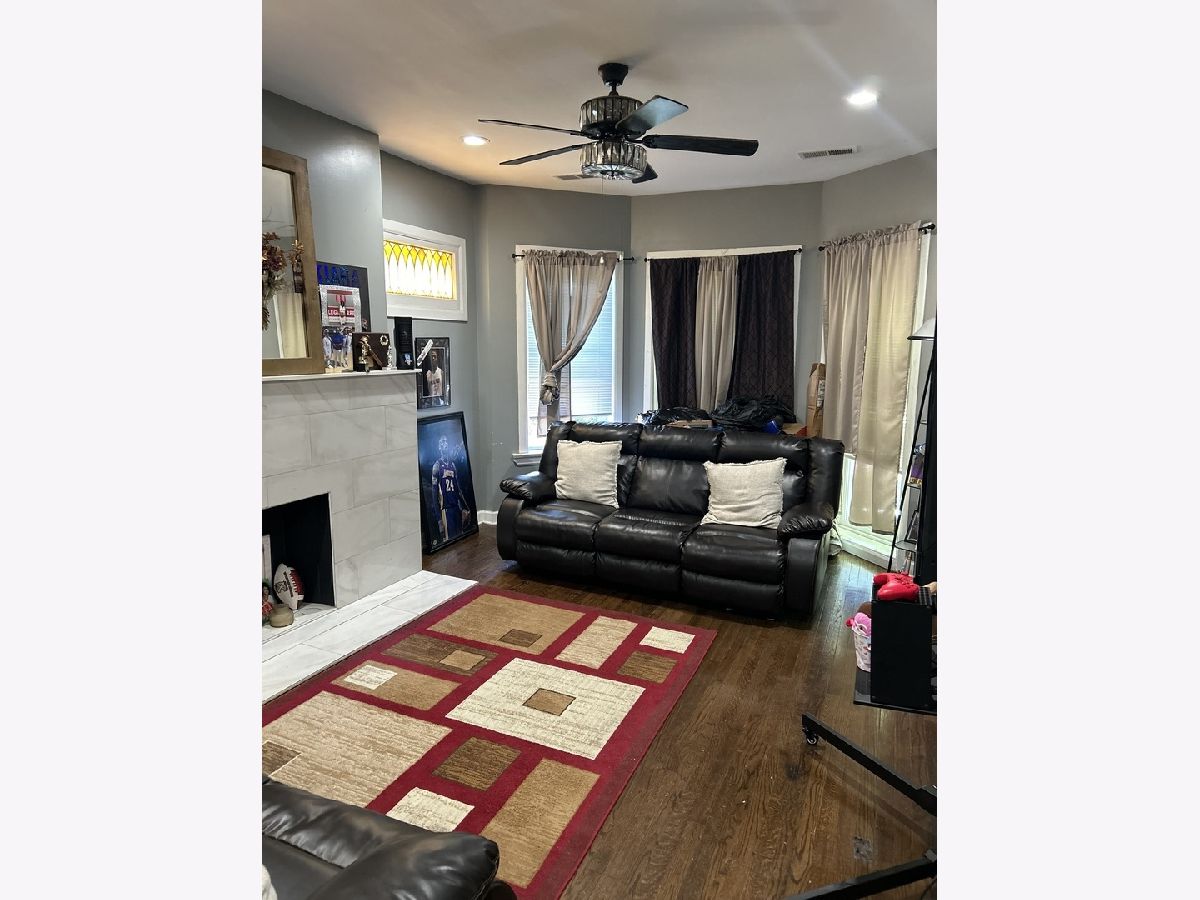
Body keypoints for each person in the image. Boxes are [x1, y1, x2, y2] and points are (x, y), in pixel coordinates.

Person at [430, 434, 471, 543]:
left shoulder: (453, 465)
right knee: (451, 543)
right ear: (439, 447)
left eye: (446, 441)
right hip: (446, 510)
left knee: (461, 538)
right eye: (442, 442)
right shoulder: (436, 466)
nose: (445, 444)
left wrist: (466, 507)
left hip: (456, 508)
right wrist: (439, 520)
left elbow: (459, 490)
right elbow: (434, 496)